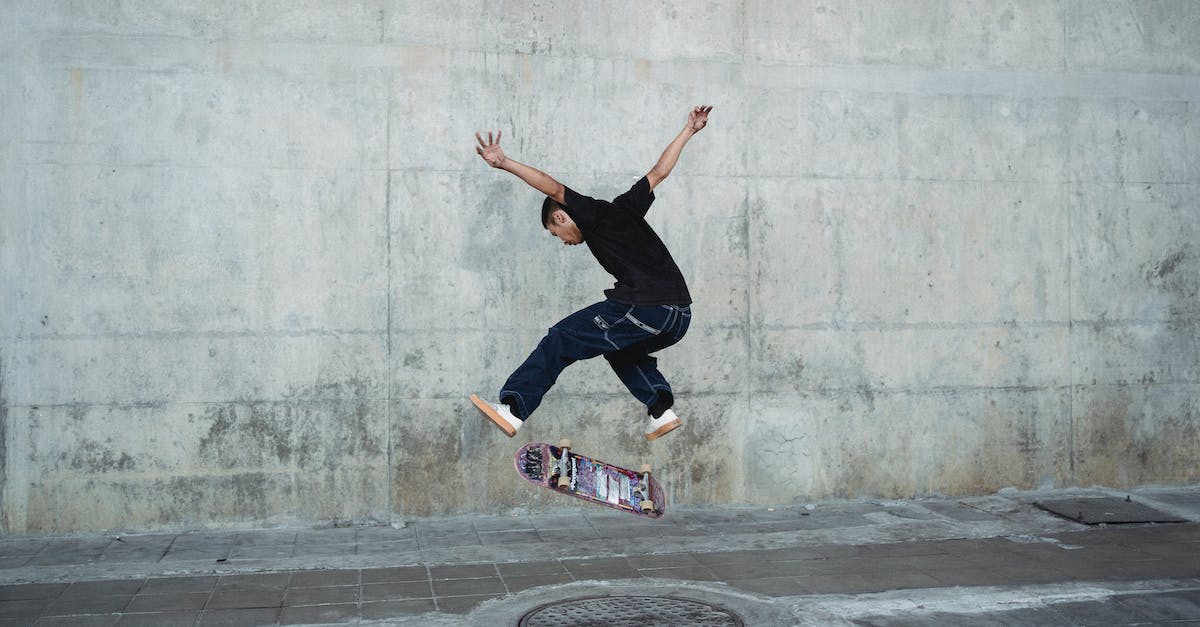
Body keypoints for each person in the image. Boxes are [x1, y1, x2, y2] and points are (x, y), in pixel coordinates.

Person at [470, 105, 712, 441]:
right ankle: (661, 410)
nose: (564, 242)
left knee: (561, 337)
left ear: (560, 217)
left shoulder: (591, 213)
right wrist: (689, 130)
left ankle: (513, 409)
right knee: (620, 349)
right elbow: (659, 172)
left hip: (645, 306)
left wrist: (505, 162)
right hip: (678, 316)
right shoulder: (625, 208)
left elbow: (553, 188)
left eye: (557, 234)